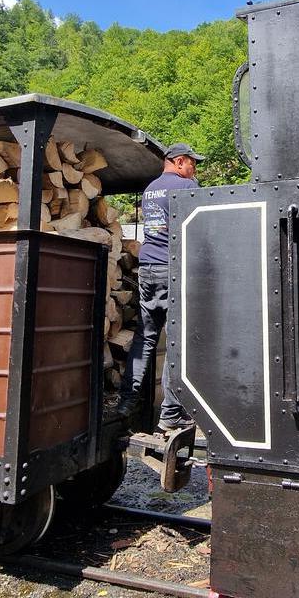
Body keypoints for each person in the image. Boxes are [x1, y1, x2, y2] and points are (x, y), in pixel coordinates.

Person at [117, 142, 205, 432]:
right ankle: (171, 413)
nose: (194, 169)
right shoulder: (185, 187)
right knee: (178, 341)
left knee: (145, 337)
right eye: (192, 163)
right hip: (171, 268)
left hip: (148, 268)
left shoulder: (150, 189)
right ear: (179, 161)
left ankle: (126, 401)